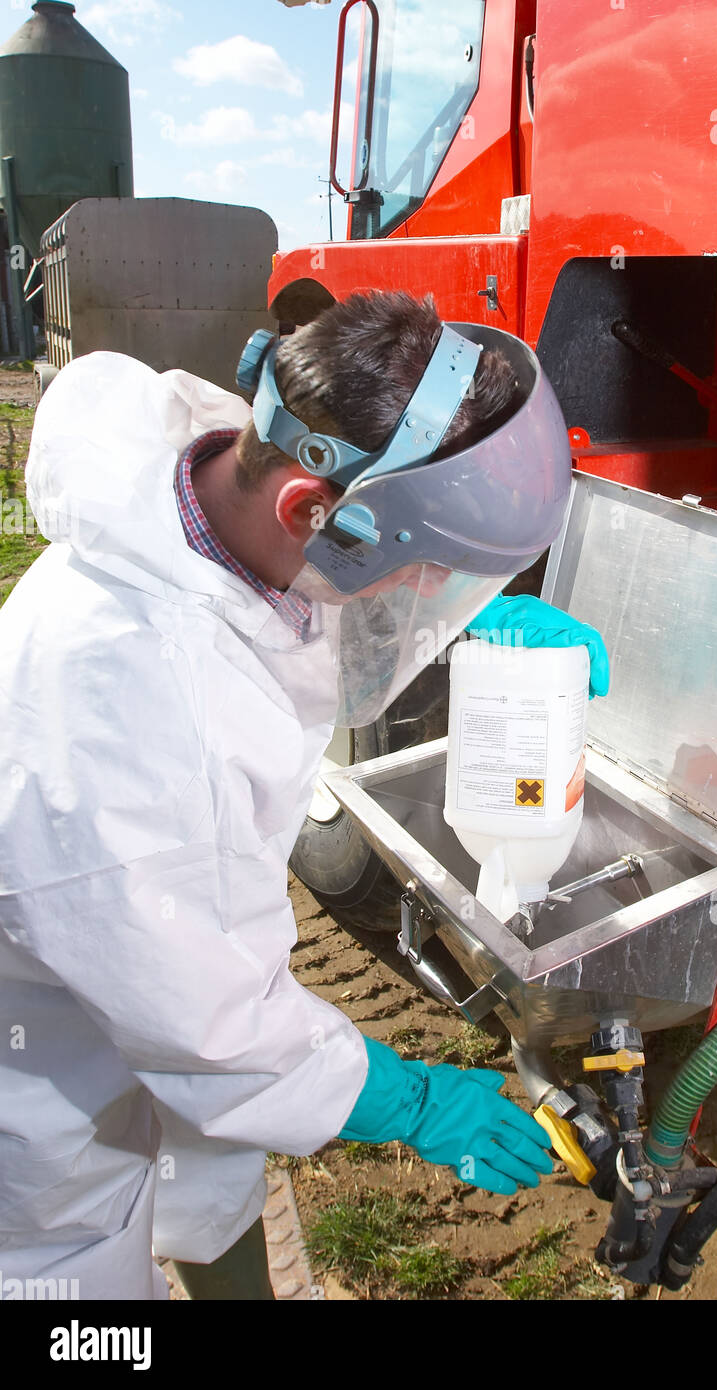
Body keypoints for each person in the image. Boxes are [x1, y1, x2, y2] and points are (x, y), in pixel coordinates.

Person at [0, 290, 609, 1301]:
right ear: (307, 510)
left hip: (146, 937)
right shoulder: (129, 709)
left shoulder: (217, 475)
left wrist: (475, 633)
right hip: (43, 1057)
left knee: (205, 1162)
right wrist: (412, 1100)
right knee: (79, 1267)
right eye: (425, 577)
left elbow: (314, 597)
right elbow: (214, 1031)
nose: (423, 598)